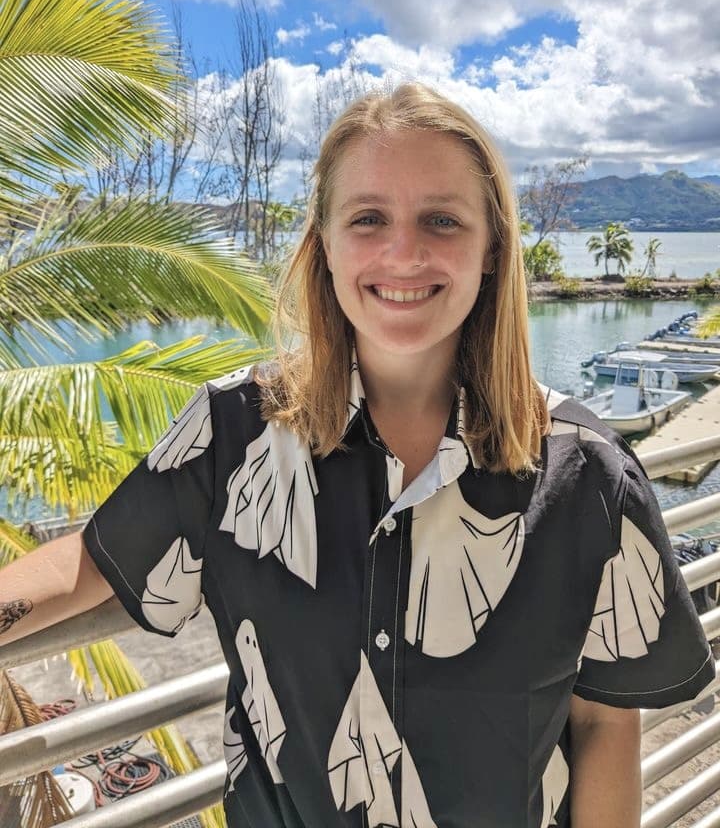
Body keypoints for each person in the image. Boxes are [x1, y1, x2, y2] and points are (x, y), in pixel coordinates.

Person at [0, 83, 713, 828]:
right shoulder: (232, 431)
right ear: (325, 245)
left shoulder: (589, 471)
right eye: (368, 218)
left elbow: (603, 725)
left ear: (493, 249)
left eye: (442, 219)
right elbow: (94, 558)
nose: (403, 253)